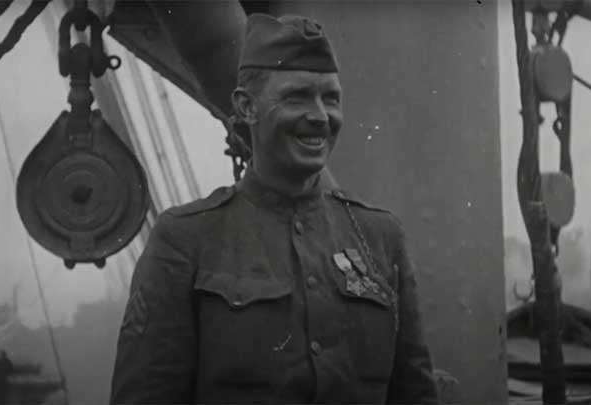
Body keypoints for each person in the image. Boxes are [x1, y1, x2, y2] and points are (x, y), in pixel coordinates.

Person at [110, 13, 439, 404]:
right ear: (246, 107)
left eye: (331, 98)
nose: (320, 116)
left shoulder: (381, 237)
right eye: (297, 96)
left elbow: (415, 393)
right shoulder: (184, 239)